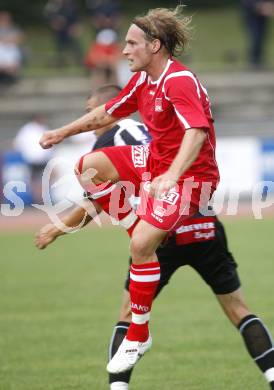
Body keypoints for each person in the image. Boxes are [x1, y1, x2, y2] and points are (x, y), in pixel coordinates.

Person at [36, 87, 274, 390]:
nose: (88, 120)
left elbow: (94, 204)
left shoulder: (108, 142)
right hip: (203, 223)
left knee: (128, 314)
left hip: (160, 234)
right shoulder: (152, 130)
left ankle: (118, 388)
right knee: (239, 309)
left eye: (91, 112)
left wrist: (55, 230)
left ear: (108, 112)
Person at [39, 6, 220, 373]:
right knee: (87, 166)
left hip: (191, 179)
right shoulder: (143, 81)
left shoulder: (178, 80)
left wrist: (171, 175)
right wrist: (62, 132)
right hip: (155, 161)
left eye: (131, 43)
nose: (124, 50)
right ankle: (139, 227)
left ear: (154, 45)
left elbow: (196, 132)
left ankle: (138, 334)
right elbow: (106, 114)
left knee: (139, 248)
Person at [241, 0, 274, 67]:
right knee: (256, 34)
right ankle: (254, 60)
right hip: (251, 8)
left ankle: (257, 59)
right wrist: (259, 5)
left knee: (262, 34)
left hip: (262, 8)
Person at [0, 10, 24, 84]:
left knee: (13, 49)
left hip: (11, 48)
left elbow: (20, 39)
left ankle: (10, 70)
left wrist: (8, 40)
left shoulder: (14, 28)